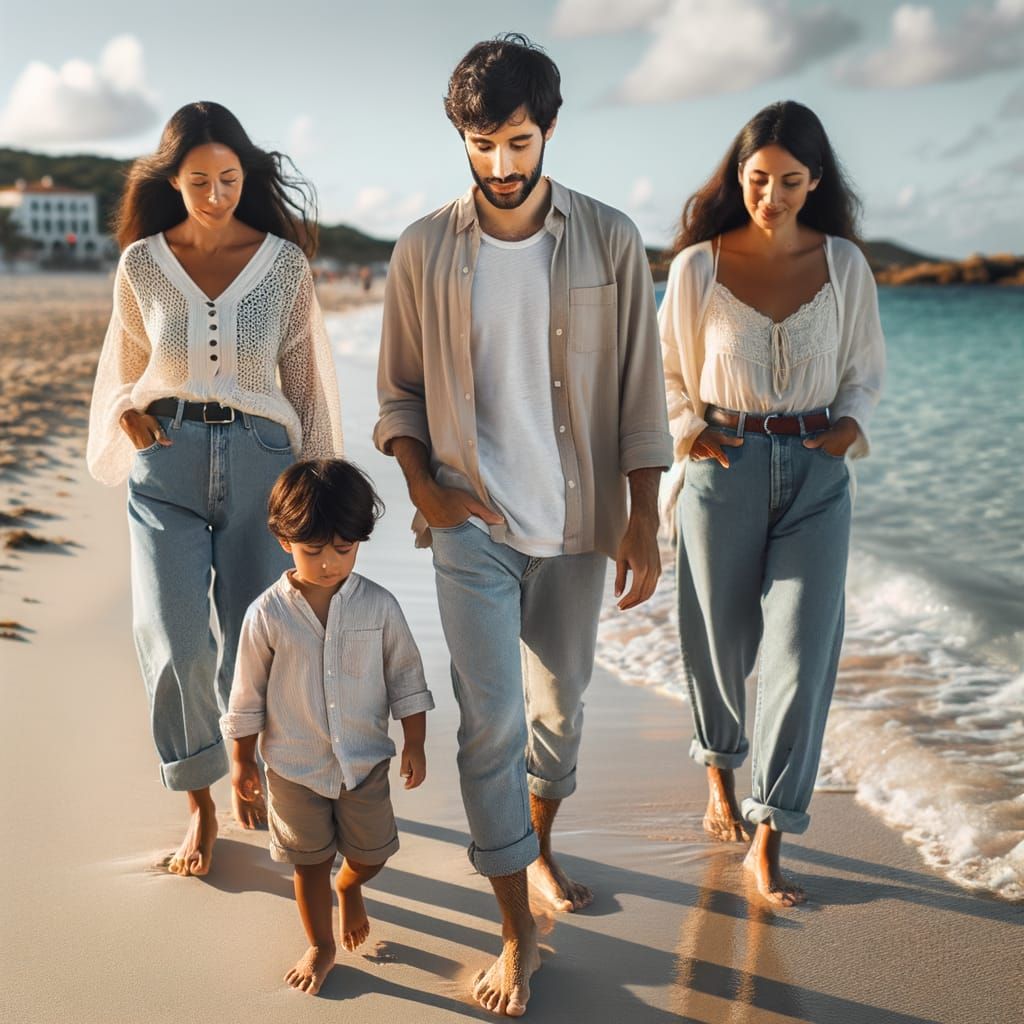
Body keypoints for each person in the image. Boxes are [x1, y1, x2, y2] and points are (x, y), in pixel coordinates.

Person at [374, 33, 672, 1016]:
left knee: (560, 711)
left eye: (515, 142)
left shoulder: (612, 239)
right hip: (469, 523)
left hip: (579, 525)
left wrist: (641, 517)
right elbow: (399, 393)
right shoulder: (421, 248)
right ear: (460, 139)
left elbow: (640, 388)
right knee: (490, 723)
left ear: (548, 131)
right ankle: (513, 928)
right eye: (480, 145)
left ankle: (537, 848)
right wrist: (423, 486)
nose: (499, 167)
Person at [86, 101, 343, 878]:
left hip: (265, 456)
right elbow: (126, 370)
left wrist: (321, 487)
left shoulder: (284, 265)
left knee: (253, 639)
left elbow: (303, 381)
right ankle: (198, 801)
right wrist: (128, 414)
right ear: (172, 179)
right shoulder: (141, 264)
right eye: (199, 180)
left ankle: (251, 768)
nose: (216, 194)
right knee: (172, 638)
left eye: (229, 178)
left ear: (245, 175)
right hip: (165, 460)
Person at [659, 101, 885, 905]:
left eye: (790, 181)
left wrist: (850, 422)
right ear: (739, 178)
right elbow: (667, 374)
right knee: (717, 641)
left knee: (802, 654)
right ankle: (720, 770)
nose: (772, 195)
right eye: (758, 179)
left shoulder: (845, 265)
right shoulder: (698, 268)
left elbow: (864, 364)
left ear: (814, 182)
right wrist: (691, 433)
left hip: (819, 474)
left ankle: (770, 833)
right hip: (726, 465)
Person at [220, 459, 433, 996]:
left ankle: (351, 885)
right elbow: (245, 695)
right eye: (313, 550)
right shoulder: (266, 615)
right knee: (307, 864)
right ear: (282, 539)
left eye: (344, 549)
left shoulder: (379, 606)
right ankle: (320, 944)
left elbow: (407, 676)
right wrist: (242, 762)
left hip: (364, 762)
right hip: (293, 768)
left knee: (373, 854)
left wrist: (415, 741)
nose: (329, 563)